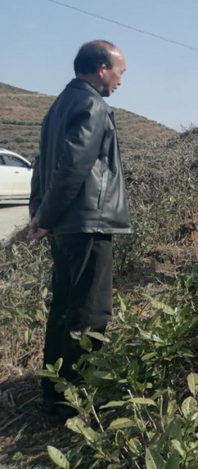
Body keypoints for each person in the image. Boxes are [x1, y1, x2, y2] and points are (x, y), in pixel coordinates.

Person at [29, 40, 131, 416]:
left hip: (64, 225)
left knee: (64, 308)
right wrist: (45, 217)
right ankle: (79, 400)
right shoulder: (93, 105)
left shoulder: (58, 106)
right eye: (120, 71)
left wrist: (41, 214)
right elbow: (74, 166)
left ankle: (54, 395)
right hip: (88, 222)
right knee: (91, 312)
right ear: (102, 69)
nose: (121, 79)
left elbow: (42, 165)